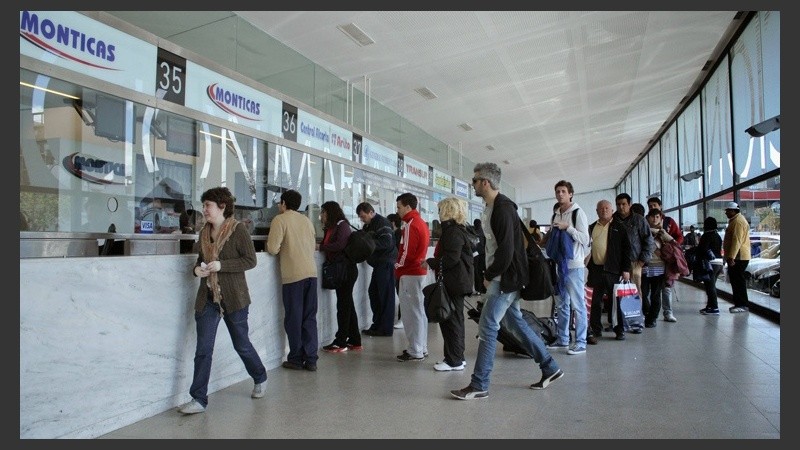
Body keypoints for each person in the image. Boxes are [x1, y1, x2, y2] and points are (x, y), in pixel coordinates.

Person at [450, 162, 563, 400]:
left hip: (506, 278)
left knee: (488, 326)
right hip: (505, 276)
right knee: (515, 323)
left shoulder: (502, 208)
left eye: (475, 181)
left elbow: (507, 250)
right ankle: (550, 367)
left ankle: (479, 384)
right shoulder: (492, 207)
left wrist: (490, 275)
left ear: (486, 183)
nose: (473, 185)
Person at [177, 187, 267, 415]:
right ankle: (198, 399)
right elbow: (199, 260)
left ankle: (259, 375)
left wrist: (222, 266)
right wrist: (197, 270)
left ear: (222, 207)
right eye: (204, 205)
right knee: (203, 350)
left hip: (234, 298)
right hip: (207, 298)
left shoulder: (238, 231)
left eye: (208, 205)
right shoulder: (204, 233)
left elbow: (250, 260)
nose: (204, 210)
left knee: (241, 344)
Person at [266, 189, 320, 371]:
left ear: (283, 203)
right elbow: (312, 246)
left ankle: (296, 359)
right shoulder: (306, 220)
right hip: (311, 274)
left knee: (294, 318)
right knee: (309, 318)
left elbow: (273, 248)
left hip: (293, 277)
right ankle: (311, 359)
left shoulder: (280, 220)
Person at [424, 197, 475, 371]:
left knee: (451, 321)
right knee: (454, 320)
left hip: (454, 282)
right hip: (457, 281)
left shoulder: (452, 232)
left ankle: (454, 360)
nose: (438, 214)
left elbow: (451, 258)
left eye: (440, 210)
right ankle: (455, 357)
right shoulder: (458, 230)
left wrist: (432, 262)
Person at [540, 180, 590, 355]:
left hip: (574, 266)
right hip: (559, 266)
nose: (560, 194)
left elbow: (585, 240)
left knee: (578, 305)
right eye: (557, 191)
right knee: (562, 304)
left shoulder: (577, 213)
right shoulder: (556, 214)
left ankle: (581, 342)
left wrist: (568, 228)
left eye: (563, 191)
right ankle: (563, 339)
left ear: (570, 194)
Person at [586, 199, 633, 343]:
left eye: (607, 208)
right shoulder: (591, 227)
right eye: (601, 208)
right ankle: (596, 329)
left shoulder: (620, 227)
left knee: (616, 303)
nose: (604, 210)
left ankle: (619, 330)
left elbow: (627, 250)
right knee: (595, 302)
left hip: (614, 270)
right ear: (596, 211)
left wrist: (626, 269)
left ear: (612, 210)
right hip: (595, 270)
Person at [318, 201, 361, 352]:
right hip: (342, 270)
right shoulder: (331, 227)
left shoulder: (342, 225)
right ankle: (355, 339)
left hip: (346, 270)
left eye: (323, 212)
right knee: (347, 304)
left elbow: (340, 245)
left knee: (343, 306)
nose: (321, 215)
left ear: (330, 212)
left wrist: (321, 247)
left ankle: (341, 342)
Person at [394, 192, 431, 362]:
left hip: (410, 273)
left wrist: (397, 266)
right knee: (419, 312)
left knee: (411, 313)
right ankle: (421, 347)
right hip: (418, 273)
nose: (398, 211)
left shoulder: (410, 225)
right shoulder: (421, 223)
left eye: (399, 207)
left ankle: (415, 349)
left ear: (408, 207)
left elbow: (406, 253)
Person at [356, 202, 398, 336]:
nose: (362, 219)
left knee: (385, 296)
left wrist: (367, 243)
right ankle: (378, 324)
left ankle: (385, 328)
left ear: (370, 212)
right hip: (378, 264)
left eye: (363, 216)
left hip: (385, 263)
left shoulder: (382, 223)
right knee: (374, 293)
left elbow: (387, 242)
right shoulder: (369, 225)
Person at [646, 197, 683, 323]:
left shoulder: (668, 222)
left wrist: (670, 249)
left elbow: (677, 238)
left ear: (660, 206)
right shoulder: (645, 223)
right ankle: (651, 313)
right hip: (650, 263)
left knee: (666, 287)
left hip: (666, 262)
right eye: (650, 206)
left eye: (655, 205)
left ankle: (668, 312)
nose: (653, 208)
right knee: (652, 291)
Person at [614, 193, 654, 303]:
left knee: (635, 291)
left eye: (624, 204)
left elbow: (649, 241)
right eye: (618, 204)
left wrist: (641, 261)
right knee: (617, 292)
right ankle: (619, 318)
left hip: (634, 261)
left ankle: (636, 317)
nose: (621, 207)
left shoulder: (639, 220)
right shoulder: (612, 220)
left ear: (630, 204)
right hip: (616, 263)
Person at [641, 208, 672, 328]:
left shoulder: (663, 233)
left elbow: (673, 244)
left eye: (657, 217)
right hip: (645, 266)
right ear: (648, 218)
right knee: (643, 293)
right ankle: (647, 312)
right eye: (652, 217)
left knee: (655, 294)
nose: (654, 219)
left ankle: (652, 318)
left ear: (660, 218)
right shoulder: (644, 231)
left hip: (659, 267)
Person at [722, 202, 751, 313]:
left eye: (728, 210)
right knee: (735, 280)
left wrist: (731, 257)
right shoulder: (735, 221)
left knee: (738, 281)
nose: (726, 212)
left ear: (734, 211)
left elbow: (737, 241)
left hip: (739, 257)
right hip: (737, 257)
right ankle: (739, 304)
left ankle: (742, 305)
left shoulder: (738, 222)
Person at [697, 216, 723, 315]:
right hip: (719, 263)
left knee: (710, 286)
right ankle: (710, 306)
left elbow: (702, 249)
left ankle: (714, 307)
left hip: (710, 264)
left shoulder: (706, 236)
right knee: (711, 285)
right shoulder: (718, 236)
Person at [387, 213, 404, 329]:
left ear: (392, 223)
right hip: (397, 266)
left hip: (398, 266)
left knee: (401, 292)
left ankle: (402, 318)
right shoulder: (398, 233)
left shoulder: (398, 234)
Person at [472, 218, 487, 294]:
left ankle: (478, 289)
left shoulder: (473, 232)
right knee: (482, 272)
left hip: (475, 255)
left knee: (476, 272)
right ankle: (484, 289)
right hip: (483, 254)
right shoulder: (483, 232)